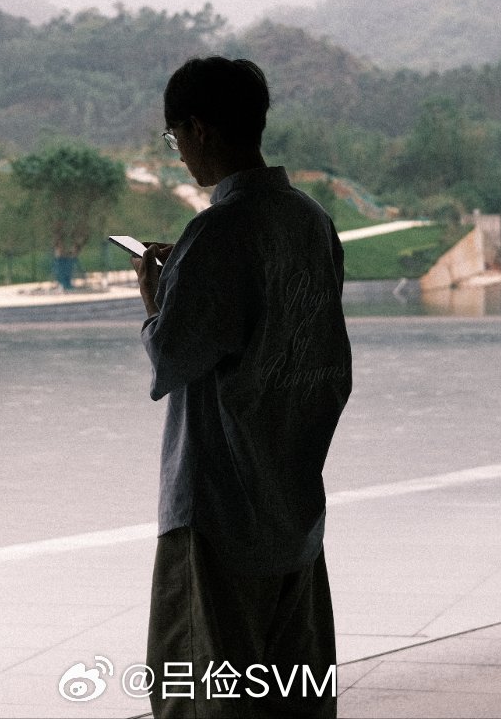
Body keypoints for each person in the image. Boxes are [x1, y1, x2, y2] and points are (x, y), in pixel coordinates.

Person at [133, 56, 353, 718]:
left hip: (217, 511)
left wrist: (156, 299)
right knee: (293, 695)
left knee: (202, 693)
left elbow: (174, 357)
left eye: (175, 137)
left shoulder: (218, 231)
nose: (178, 153)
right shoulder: (309, 221)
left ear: (199, 129)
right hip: (292, 502)